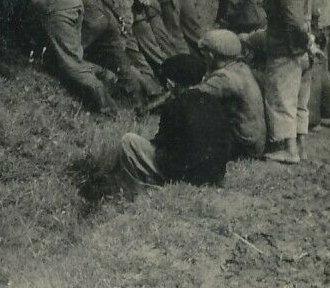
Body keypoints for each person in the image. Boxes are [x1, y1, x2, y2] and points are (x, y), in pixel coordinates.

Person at [77, 52, 233, 200]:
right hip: (214, 173)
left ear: (171, 83)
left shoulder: (175, 106)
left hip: (186, 175)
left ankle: (132, 188)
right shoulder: (214, 102)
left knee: (129, 140)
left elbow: (161, 145)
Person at [251, 0, 318, 165]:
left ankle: (288, 150)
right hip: (303, 51)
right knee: (300, 101)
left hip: (286, 51)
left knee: (281, 99)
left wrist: (304, 44)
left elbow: (294, 24)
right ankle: (301, 145)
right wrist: (310, 44)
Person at [195, 29, 267, 159]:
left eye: (204, 55)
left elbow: (193, 96)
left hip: (243, 144)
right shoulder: (241, 68)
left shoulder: (224, 78)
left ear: (211, 55)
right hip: (254, 141)